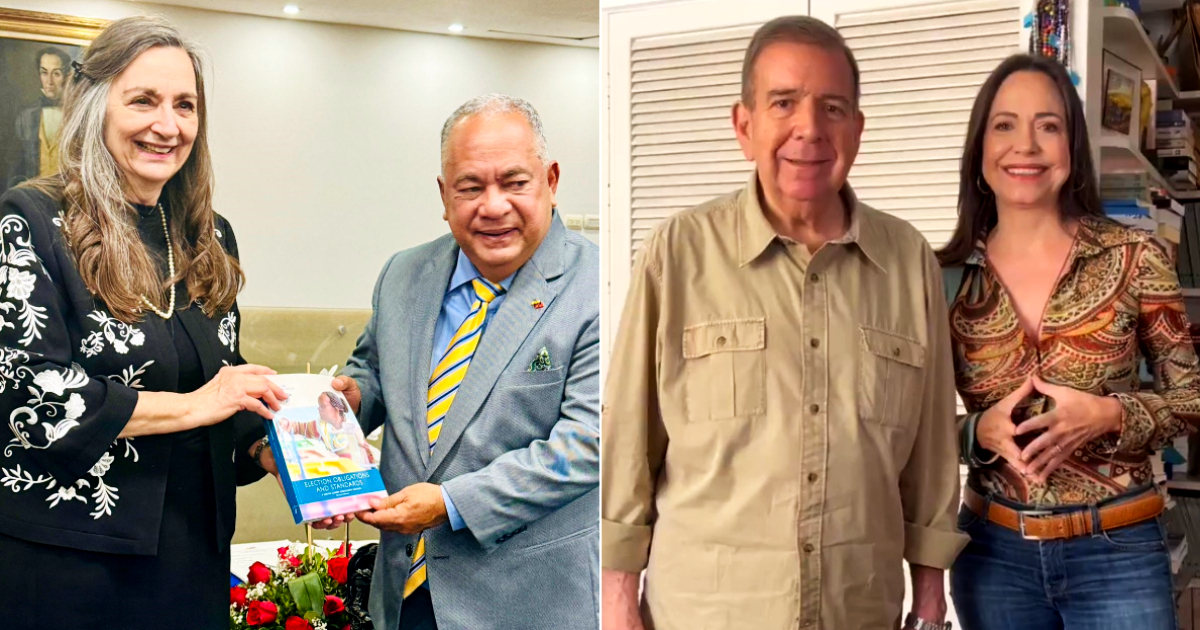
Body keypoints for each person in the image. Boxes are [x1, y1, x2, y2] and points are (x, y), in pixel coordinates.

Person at [601, 16, 966, 630]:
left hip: (860, 609)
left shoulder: (908, 261)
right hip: (705, 612)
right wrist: (616, 600)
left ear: (857, 128)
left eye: (832, 107)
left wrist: (930, 595)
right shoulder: (680, 252)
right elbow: (630, 435)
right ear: (744, 126)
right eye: (784, 103)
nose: (809, 129)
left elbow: (931, 449)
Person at [0, 16, 288, 630]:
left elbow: (222, 391)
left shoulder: (209, 235)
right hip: (69, 563)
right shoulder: (30, 219)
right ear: (95, 106)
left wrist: (282, 447)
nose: (168, 125)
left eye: (185, 105)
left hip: (193, 559)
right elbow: (26, 396)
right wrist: (194, 406)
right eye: (143, 101)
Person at [295, 94, 599, 630]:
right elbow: (373, 373)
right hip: (405, 593)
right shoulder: (404, 274)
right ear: (443, 194)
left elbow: (586, 445)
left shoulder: (603, 285)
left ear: (551, 180)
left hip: (530, 603)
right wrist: (343, 405)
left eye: (514, 182)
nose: (493, 205)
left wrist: (451, 504)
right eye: (471, 187)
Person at [942, 54, 1199, 630]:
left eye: (1048, 125)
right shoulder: (944, 276)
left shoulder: (1136, 258)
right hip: (991, 555)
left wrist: (1110, 414)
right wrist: (976, 431)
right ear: (980, 149)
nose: (1025, 145)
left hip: (1119, 552)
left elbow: (1191, 399)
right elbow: (904, 426)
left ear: (1071, 146)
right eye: (1004, 125)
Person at [8, 46, 72, 189]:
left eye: (56, 74)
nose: (49, 81)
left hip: (68, 197)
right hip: (34, 196)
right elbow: (16, 167)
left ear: (67, 76)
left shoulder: (77, 115)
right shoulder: (26, 117)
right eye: (44, 73)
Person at [276, 391, 375, 467]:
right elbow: (297, 426)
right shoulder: (318, 426)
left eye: (322, 406)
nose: (319, 409)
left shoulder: (353, 431)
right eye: (319, 406)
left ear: (336, 408)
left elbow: (368, 460)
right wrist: (285, 422)